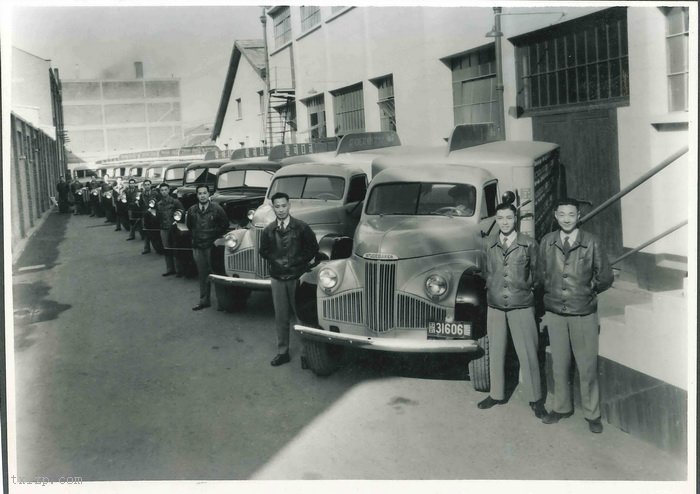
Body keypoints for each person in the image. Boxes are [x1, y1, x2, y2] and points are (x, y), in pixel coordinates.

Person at [538, 198, 613, 433]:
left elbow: (605, 277)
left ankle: (592, 414)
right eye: (562, 214)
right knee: (559, 364)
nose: (567, 218)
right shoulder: (547, 242)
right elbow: (541, 274)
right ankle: (561, 408)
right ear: (555, 216)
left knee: (587, 365)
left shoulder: (591, 242)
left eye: (571, 214)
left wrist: (587, 291)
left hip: (583, 313)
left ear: (578, 216)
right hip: (556, 312)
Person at [477, 203, 546, 418]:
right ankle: (496, 394)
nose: (505, 222)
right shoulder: (488, 244)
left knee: (528, 352)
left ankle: (536, 400)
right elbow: (482, 271)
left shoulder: (528, 244)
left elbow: (539, 275)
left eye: (508, 217)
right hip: (495, 305)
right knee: (496, 350)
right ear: (496, 220)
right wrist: (494, 285)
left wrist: (524, 289)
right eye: (500, 218)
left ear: (515, 218)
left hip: (522, 305)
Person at [259, 192, 319, 367]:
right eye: (277, 206)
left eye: (283, 206)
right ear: (273, 208)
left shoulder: (301, 227)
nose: (281, 210)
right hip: (278, 279)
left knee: (302, 316)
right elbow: (264, 251)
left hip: (297, 278)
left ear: (289, 205)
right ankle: (282, 351)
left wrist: (297, 262)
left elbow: (313, 248)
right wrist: (276, 261)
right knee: (281, 316)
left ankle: (306, 354)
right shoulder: (268, 230)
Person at [186, 184, 228, 310]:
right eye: (200, 193)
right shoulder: (192, 210)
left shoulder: (217, 209)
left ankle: (222, 303)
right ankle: (204, 300)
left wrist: (215, 236)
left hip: (213, 247)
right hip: (199, 247)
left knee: (217, 274)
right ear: (197, 195)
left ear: (209, 194)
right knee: (203, 274)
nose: (202, 195)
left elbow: (225, 224)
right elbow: (190, 226)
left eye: (205, 193)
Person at [155, 182, 185, 277]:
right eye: (162, 190)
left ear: (169, 191)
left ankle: (179, 270)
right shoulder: (159, 204)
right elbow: (157, 216)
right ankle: (170, 269)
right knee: (167, 249)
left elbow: (182, 212)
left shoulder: (175, 201)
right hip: (163, 229)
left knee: (176, 248)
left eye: (165, 190)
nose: (164, 192)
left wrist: (176, 222)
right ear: (160, 192)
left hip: (174, 229)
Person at [138, 180, 158, 254]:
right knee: (146, 231)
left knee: (154, 230)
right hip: (145, 214)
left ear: (151, 185)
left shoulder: (155, 193)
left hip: (153, 214)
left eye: (148, 184)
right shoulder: (142, 194)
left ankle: (157, 247)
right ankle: (146, 248)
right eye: (145, 185)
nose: (147, 186)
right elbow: (140, 204)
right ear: (143, 186)